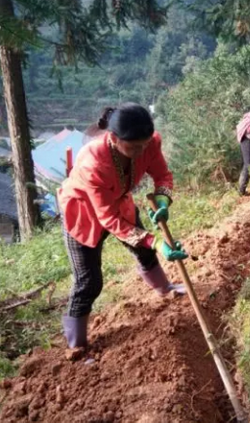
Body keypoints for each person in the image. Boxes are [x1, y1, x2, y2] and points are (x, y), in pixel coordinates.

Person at [58, 103, 187, 352]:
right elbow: (109, 220)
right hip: (84, 214)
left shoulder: (150, 143)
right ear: (114, 139)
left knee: (144, 251)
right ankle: (77, 346)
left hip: (119, 201)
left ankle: (165, 288)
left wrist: (162, 198)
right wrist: (157, 241)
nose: (141, 151)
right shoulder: (92, 163)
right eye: (133, 147)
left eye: (145, 144)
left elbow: (162, 175)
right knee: (89, 282)